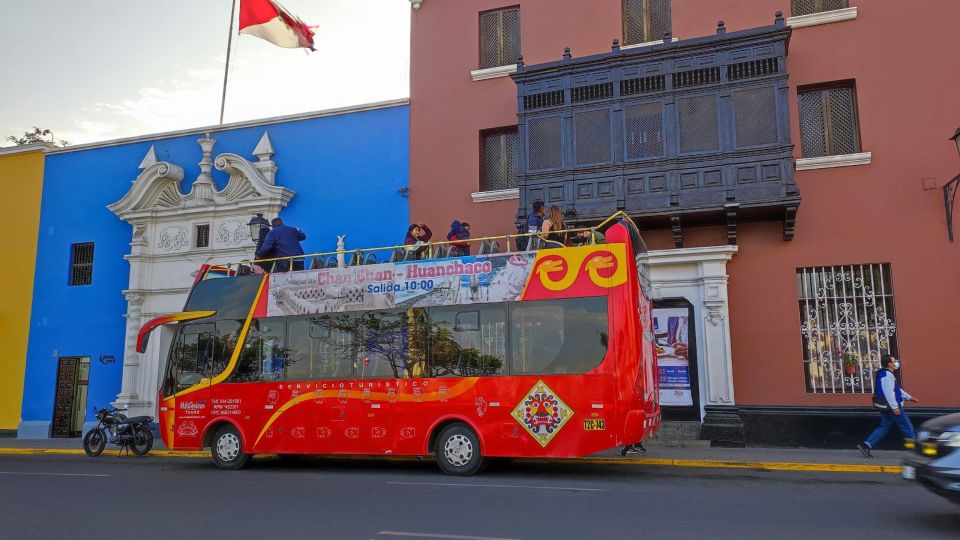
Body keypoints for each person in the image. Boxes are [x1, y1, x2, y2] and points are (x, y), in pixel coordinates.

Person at [857, 354, 919, 457]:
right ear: (890, 364)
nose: (896, 363)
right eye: (894, 361)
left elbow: (896, 390)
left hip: (886, 407)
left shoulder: (885, 374)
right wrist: (895, 407)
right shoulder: (887, 375)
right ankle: (914, 451)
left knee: (884, 427)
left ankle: (866, 445)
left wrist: (909, 397)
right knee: (908, 428)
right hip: (892, 407)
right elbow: (889, 393)